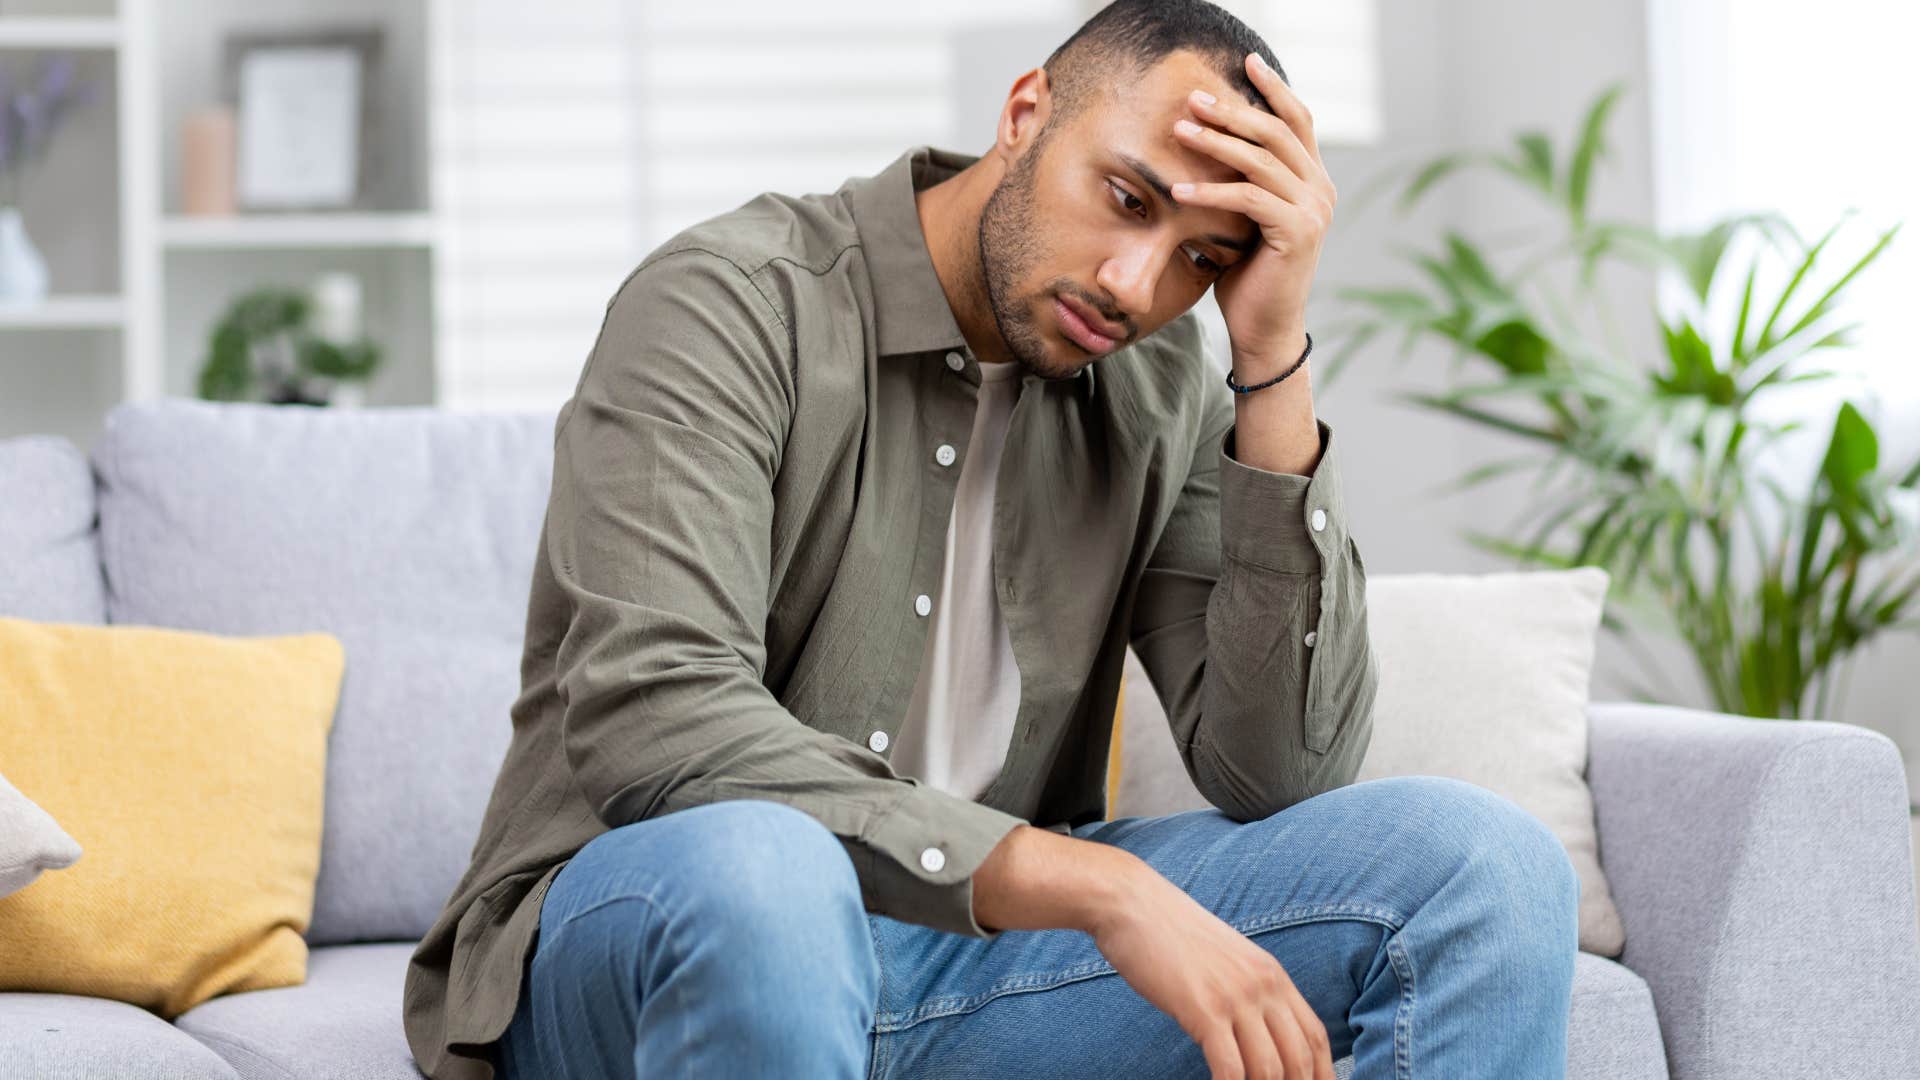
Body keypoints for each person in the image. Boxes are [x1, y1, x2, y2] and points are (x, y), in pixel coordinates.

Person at [400, 2, 1579, 1077]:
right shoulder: (734, 301)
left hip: (962, 962)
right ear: (1026, 113)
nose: (1134, 281)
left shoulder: (1159, 382)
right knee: (770, 876)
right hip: (662, 934)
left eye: (1200, 260)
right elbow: (654, 711)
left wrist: (1270, 360)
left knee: (1483, 870)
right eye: (1128, 198)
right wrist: (1095, 885)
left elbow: (1284, 775)